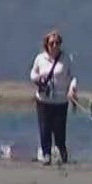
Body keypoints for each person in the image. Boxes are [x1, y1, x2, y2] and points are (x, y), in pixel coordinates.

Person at [28, 29, 78, 164]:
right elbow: (32, 74)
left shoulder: (66, 58)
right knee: (44, 128)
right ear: (47, 45)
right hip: (44, 99)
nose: (55, 46)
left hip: (61, 101)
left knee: (59, 130)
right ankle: (46, 155)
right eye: (52, 43)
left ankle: (63, 153)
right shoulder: (40, 58)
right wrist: (38, 78)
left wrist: (72, 89)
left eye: (58, 43)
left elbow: (73, 76)